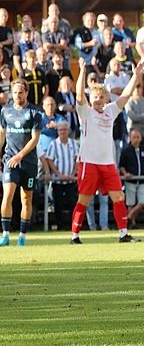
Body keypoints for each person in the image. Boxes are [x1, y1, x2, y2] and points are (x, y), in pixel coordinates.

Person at [70, 57, 143, 244]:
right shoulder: (85, 112)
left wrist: (135, 77)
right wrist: (82, 71)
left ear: (106, 98)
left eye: (101, 97)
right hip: (89, 162)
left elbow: (125, 96)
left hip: (108, 163)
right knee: (84, 200)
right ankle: (75, 235)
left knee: (118, 196)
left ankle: (123, 233)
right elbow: (79, 96)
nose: (98, 100)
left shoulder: (110, 110)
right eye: (95, 96)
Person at [0, 80, 42, 247]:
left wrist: (20, 155)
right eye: (15, 92)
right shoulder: (6, 110)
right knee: (7, 195)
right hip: (10, 160)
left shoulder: (34, 112)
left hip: (28, 163)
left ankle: (22, 235)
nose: (18, 95)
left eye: (20, 92)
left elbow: (35, 139)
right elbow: (1, 132)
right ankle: (5, 234)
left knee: (26, 199)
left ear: (26, 93)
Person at [45, 122, 79, 232]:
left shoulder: (74, 144)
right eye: (60, 130)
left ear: (68, 131)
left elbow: (77, 160)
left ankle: (72, 226)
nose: (63, 132)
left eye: (64, 130)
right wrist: (59, 174)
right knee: (58, 204)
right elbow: (50, 160)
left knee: (72, 203)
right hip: (57, 180)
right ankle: (59, 226)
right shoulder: (53, 144)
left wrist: (73, 174)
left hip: (71, 180)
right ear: (57, 131)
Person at [120, 129, 144, 228]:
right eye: (134, 137)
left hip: (142, 180)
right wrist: (125, 174)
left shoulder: (143, 149)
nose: (136, 139)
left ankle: (128, 217)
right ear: (130, 138)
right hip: (131, 181)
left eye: (138, 137)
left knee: (142, 202)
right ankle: (131, 224)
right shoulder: (126, 150)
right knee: (130, 203)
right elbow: (121, 165)